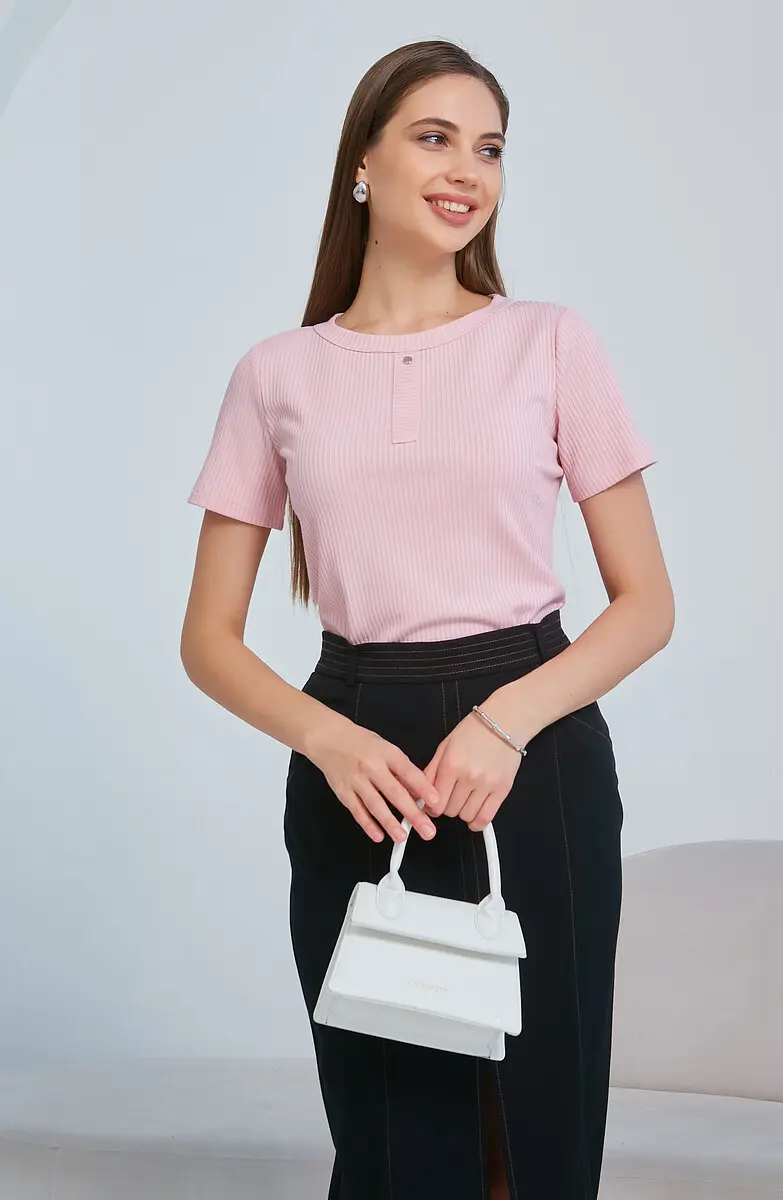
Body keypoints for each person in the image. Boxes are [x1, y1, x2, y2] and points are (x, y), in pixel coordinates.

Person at [181, 37, 674, 1200]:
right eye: (434, 137)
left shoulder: (548, 341)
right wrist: (327, 738)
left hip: (535, 748)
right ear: (362, 162)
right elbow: (207, 637)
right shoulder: (277, 374)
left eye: (489, 148)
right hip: (358, 757)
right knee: (396, 1133)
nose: (467, 171)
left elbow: (646, 604)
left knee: (541, 1113)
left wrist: (506, 723)